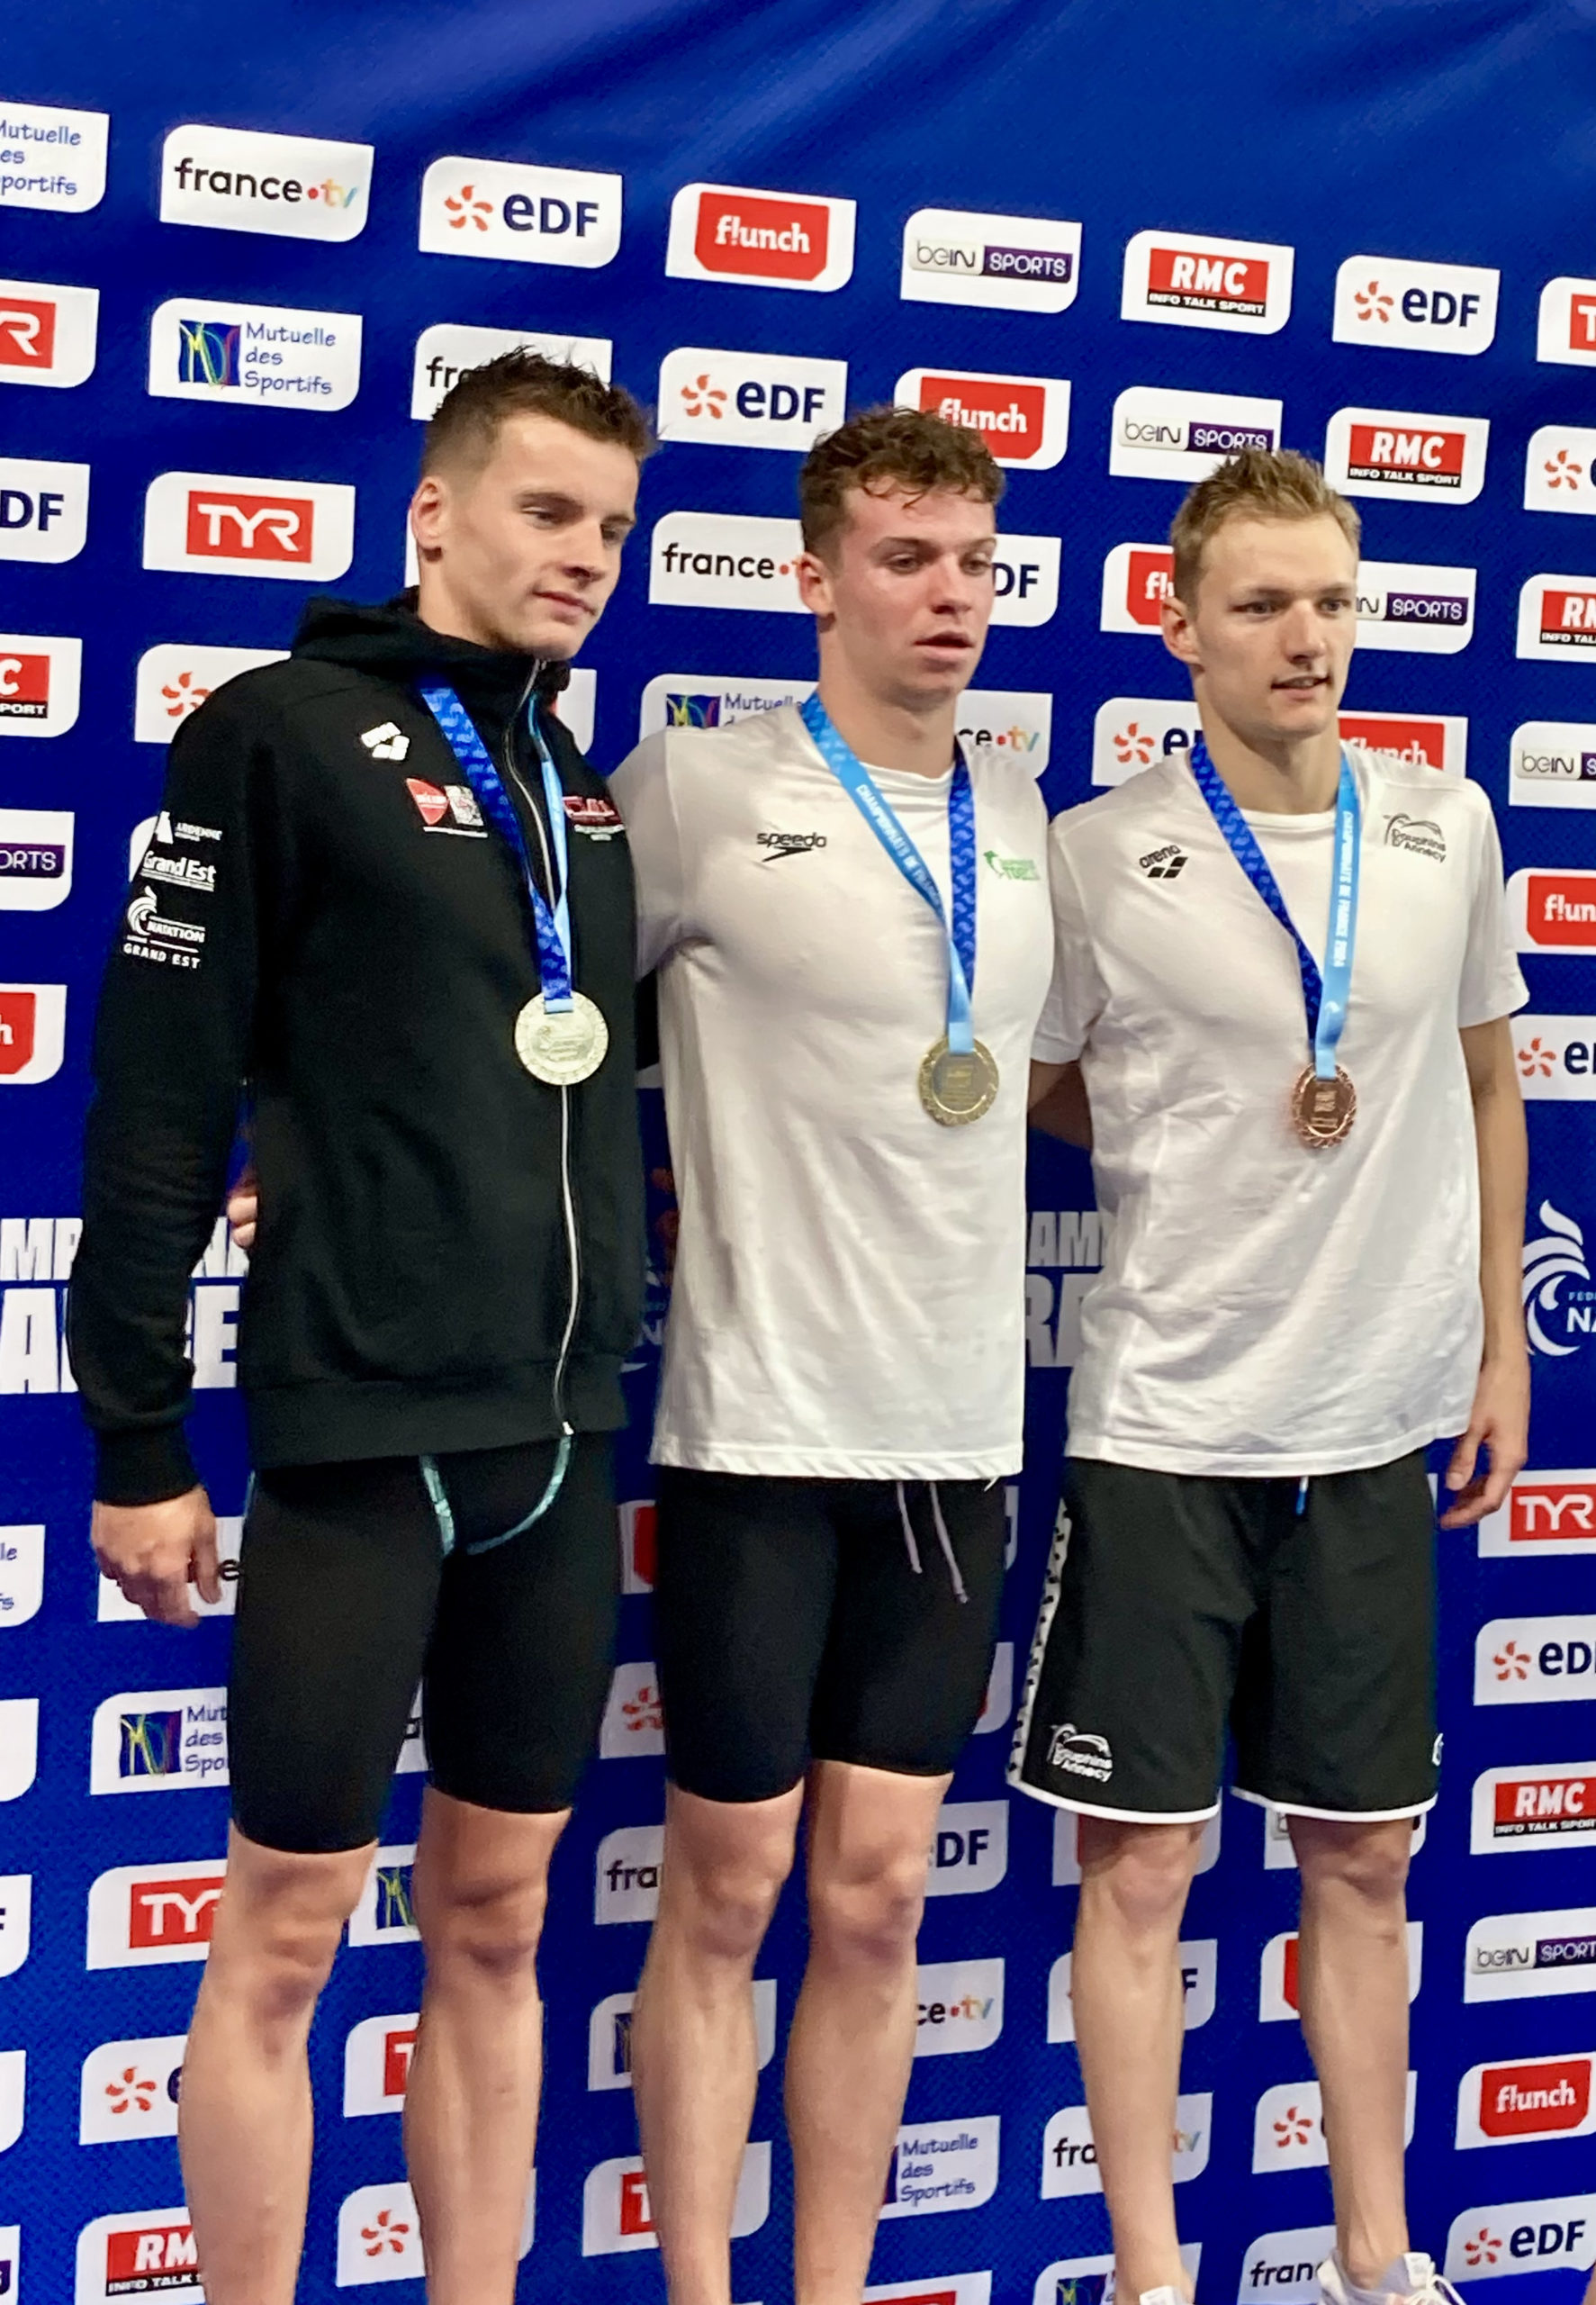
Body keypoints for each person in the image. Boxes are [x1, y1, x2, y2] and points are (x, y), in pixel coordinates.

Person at [68, 350, 651, 2305]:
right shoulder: (279, 732)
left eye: (611, 526)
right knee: (286, 1929)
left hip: (554, 1439)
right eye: (546, 511)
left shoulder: (578, 788)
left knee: (497, 1920)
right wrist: (137, 1437)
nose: (584, 555)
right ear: (435, 511)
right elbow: (159, 1106)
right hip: (357, 1439)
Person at [1012, 449, 1529, 2305]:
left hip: (1374, 1420)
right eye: (1259, 605)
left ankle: (1377, 2258)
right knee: (1138, 1871)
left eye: (1327, 600)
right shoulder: (1094, 852)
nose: (1303, 636)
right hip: (1167, 1417)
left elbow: (1487, 1079)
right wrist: (1191, 1140)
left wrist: (1495, 1340)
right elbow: (1040, 1084)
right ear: (1181, 629)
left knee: (1365, 1859)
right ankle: (1151, 2278)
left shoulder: (1443, 825)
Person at [605, 406, 1056, 2305]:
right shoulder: (697, 790)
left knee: (873, 1904)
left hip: (952, 1444)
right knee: (723, 1892)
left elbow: (1075, 1083)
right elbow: (529, 1015)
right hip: (756, 1435)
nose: (948, 596)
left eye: (973, 563)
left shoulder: (1020, 820)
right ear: (814, 579)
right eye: (904, 559)